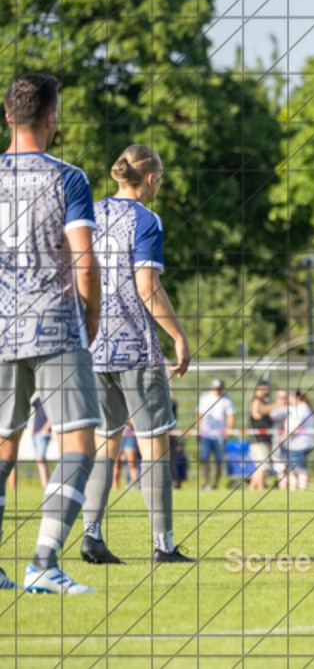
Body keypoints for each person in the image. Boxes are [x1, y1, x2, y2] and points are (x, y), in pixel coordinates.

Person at [0, 73, 101, 593]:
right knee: (79, 441)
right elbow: (84, 261)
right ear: (51, 117)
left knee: (2, 445)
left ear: (8, 116)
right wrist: (91, 316)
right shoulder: (68, 177)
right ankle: (42, 562)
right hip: (54, 323)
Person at [77, 144, 193, 565]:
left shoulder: (89, 212)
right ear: (149, 179)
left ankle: (92, 536)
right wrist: (179, 334)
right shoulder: (147, 219)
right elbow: (147, 288)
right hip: (136, 350)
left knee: (104, 446)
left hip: (92, 348)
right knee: (154, 447)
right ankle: (163, 546)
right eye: (159, 179)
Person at [197, 378, 235, 489]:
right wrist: (198, 430)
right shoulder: (205, 398)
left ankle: (216, 484)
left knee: (219, 461)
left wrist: (229, 430)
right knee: (205, 459)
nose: (217, 391)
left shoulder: (227, 400)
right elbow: (199, 414)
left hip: (220, 435)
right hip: (206, 434)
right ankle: (206, 482)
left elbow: (230, 416)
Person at [281, 390, 314, 490]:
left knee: (300, 469)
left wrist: (282, 438)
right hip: (295, 443)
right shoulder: (300, 408)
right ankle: (295, 491)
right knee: (293, 470)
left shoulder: (302, 408)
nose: (289, 400)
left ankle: (301, 490)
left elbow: (295, 427)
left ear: (297, 398)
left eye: (291, 398)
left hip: (299, 443)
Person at [247, 381, 278, 490]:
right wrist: (278, 405)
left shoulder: (263, 402)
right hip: (258, 440)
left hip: (265, 440)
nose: (268, 391)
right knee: (263, 467)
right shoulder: (256, 401)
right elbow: (258, 412)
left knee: (262, 467)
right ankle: (261, 490)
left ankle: (251, 489)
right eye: (266, 389)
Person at [30, 394, 52, 486]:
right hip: (35, 432)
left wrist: (46, 428)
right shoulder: (38, 399)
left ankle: (47, 484)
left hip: (44, 432)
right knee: (39, 460)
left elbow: (54, 414)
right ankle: (45, 484)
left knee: (40, 458)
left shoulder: (50, 398)